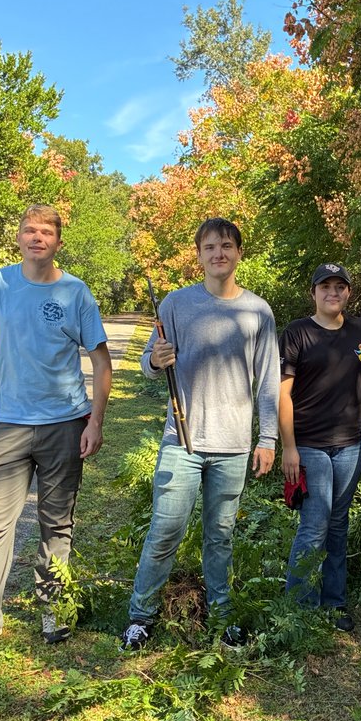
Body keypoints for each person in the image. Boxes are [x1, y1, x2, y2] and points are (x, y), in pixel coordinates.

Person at [0, 204, 112, 657]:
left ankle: (54, 611)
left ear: (58, 242)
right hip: (10, 425)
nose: (37, 238)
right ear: (18, 238)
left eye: (46, 232)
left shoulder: (75, 292)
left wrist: (95, 421)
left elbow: (101, 361)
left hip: (65, 423)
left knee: (57, 523)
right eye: (30, 230)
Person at [121, 218, 280, 650]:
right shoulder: (175, 304)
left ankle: (221, 616)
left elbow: (268, 380)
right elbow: (148, 366)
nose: (218, 254)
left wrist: (268, 439)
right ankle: (140, 617)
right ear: (199, 255)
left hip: (234, 446)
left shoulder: (258, 311)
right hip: (182, 441)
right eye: (209, 247)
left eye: (226, 246)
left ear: (239, 253)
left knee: (220, 536)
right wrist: (156, 361)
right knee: (165, 531)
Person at [279, 263, 361, 631]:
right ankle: (300, 608)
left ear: (348, 292)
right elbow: (283, 394)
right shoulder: (297, 333)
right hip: (309, 443)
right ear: (313, 292)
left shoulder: (360, 330)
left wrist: (356, 387)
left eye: (340, 286)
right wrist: (288, 447)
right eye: (325, 286)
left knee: (338, 522)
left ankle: (334, 603)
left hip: (353, 441)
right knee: (314, 525)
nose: (333, 293)